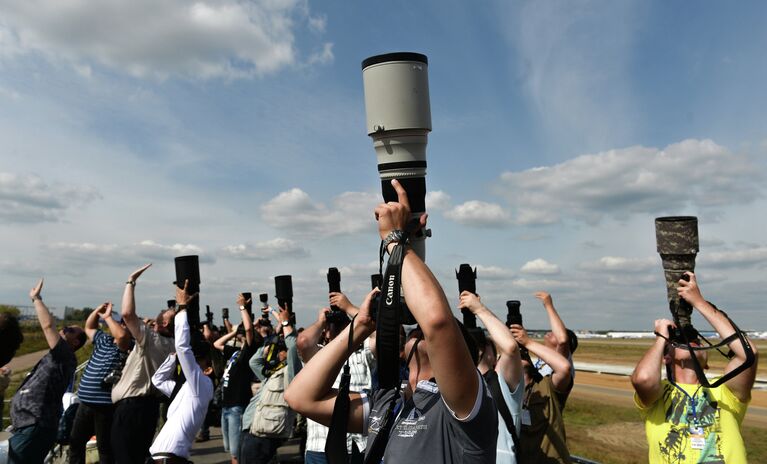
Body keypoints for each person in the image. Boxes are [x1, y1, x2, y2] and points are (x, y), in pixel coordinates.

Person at [285, 179, 498, 463]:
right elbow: (300, 397)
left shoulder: (465, 407)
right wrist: (359, 327)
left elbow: (437, 322)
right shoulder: (387, 404)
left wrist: (393, 241)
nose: (419, 328)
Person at [631, 272, 759, 463]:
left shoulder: (724, 392)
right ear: (665, 357)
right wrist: (661, 338)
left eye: (697, 341)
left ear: (706, 363)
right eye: (680, 342)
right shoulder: (659, 395)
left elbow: (748, 355)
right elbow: (643, 379)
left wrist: (699, 302)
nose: (692, 343)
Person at [9, 279, 86, 464]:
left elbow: (47, 326)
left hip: (34, 426)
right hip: (28, 425)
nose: (62, 329)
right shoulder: (60, 355)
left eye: (68, 330)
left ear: (75, 343)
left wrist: (36, 298)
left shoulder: (65, 354)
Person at [110, 264, 175, 464]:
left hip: (131, 408)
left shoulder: (150, 338)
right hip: (150, 408)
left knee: (123, 457)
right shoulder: (175, 345)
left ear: (162, 323)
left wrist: (131, 281)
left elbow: (127, 314)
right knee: (138, 456)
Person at [296, 299, 375, 464]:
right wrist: (321, 322)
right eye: (334, 326)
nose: (339, 329)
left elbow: (378, 333)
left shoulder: (362, 354)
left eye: (344, 325)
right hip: (320, 446)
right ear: (325, 333)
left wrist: (350, 308)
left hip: (358, 445)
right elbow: (304, 342)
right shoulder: (317, 356)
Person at [149, 280, 215, 463]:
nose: (191, 362)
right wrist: (172, 358)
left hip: (168, 459)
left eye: (197, 359)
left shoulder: (200, 385)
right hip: (164, 458)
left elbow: (182, 346)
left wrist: (183, 307)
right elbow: (158, 381)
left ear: (208, 369)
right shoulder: (186, 390)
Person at [459, 291, 525, 464]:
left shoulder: (502, 385)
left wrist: (480, 310)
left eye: (489, 345)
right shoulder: (459, 383)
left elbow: (510, 347)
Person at [69, 301, 131, 464]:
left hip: (104, 407)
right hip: (85, 403)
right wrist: (97, 311)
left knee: (105, 449)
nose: (120, 326)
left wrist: (108, 317)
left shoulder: (127, 345)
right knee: (75, 442)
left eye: (123, 324)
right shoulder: (104, 340)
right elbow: (89, 327)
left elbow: (122, 336)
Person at [239, 304, 301, 464]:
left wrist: (286, 324)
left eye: (282, 349)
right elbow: (254, 362)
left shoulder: (292, 372)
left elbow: (293, 348)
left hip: (264, 432)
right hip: (251, 427)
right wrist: (270, 342)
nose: (279, 352)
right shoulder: (273, 372)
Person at [510, 322, 573, 464]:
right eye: (516, 355)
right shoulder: (502, 392)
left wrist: (527, 342)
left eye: (524, 354)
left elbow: (564, 368)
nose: (521, 355)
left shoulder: (546, 386)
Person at [213, 294, 256, 464]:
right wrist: (232, 332)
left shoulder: (248, 352)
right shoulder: (235, 352)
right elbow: (216, 344)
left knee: (236, 453)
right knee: (230, 449)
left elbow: (248, 330)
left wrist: (242, 308)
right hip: (226, 406)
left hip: (237, 406)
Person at [533, 292, 577, 379]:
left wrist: (548, 305)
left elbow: (562, 341)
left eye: (556, 333)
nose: (551, 332)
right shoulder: (542, 360)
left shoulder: (563, 360)